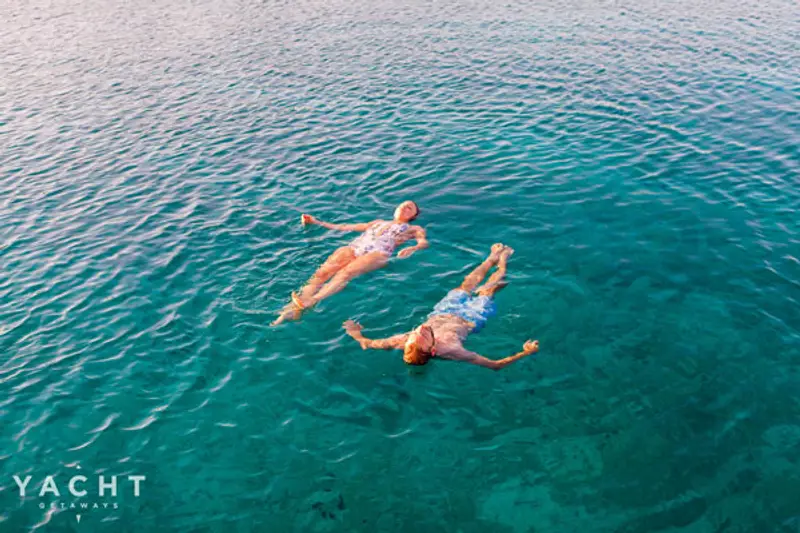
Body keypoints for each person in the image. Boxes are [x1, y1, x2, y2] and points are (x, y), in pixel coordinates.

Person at [342, 244, 539, 370]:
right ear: (433, 350)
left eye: (415, 333)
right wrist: (526, 352)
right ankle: (503, 261)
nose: (420, 329)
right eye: (424, 336)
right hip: (472, 317)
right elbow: (495, 365)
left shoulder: (403, 341)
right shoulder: (453, 350)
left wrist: (354, 332)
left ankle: (491, 257)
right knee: (489, 289)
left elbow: (368, 343)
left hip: (445, 311)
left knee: (467, 284)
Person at [273, 200, 428, 325]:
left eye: (409, 208)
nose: (404, 207)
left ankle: (312, 301)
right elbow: (346, 227)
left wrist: (413, 248)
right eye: (403, 205)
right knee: (322, 273)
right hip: (355, 247)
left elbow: (423, 242)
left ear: (413, 215)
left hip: (378, 253)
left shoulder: (413, 228)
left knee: (345, 273)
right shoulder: (378, 222)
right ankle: (292, 309)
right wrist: (316, 222)